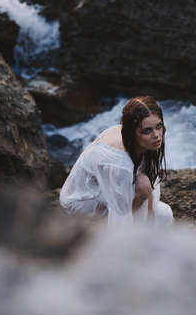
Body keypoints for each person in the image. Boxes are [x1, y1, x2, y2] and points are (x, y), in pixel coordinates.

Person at [59, 96, 173, 226]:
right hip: (82, 200)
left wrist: (151, 219)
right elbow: (120, 216)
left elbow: (151, 185)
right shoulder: (120, 163)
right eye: (147, 131)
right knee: (142, 186)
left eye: (159, 126)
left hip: (105, 190)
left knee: (164, 214)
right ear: (133, 132)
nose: (157, 135)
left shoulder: (142, 141)